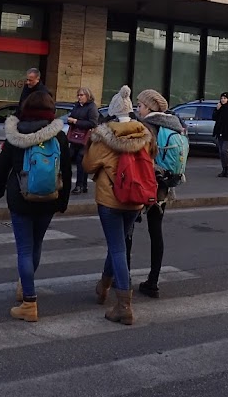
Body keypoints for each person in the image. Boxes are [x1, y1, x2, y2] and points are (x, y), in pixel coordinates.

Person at [0, 90, 71, 323]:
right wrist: (63, 201)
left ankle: (29, 302)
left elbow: (2, 166)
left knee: (24, 249)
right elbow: (66, 170)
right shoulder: (59, 137)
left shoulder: (15, 135)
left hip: (20, 198)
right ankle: (24, 286)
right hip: (49, 198)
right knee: (36, 245)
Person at [83, 105, 157, 325]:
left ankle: (124, 306)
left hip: (110, 200)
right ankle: (104, 286)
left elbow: (88, 166)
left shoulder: (104, 138)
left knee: (117, 248)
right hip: (135, 200)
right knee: (118, 245)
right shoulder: (145, 136)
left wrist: (89, 145)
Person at [127, 88, 184, 299]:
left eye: (141, 105)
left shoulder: (145, 127)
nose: (138, 108)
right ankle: (153, 281)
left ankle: (123, 277)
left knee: (128, 230)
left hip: (143, 184)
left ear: (149, 108)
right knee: (156, 231)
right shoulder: (171, 126)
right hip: (163, 187)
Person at [67, 86, 99, 194]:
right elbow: (71, 116)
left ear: (87, 96)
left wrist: (76, 121)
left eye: (81, 95)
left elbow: (93, 123)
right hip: (75, 137)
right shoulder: (77, 106)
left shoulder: (92, 107)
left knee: (81, 160)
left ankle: (80, 185)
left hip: (86, 138)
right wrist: (70, 120)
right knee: (71, 158)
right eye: (78, 95)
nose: (79, 97)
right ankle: (82, 185)